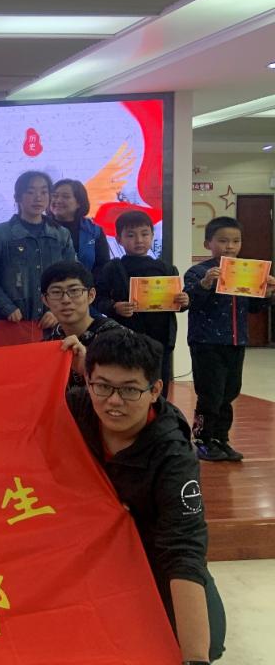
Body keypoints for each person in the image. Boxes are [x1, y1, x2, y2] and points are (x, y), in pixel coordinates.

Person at [61, 329, 225, 664]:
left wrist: (195, 659)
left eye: (129, 390)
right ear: (88, 382)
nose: (114, 402)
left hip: (149, 555)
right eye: (103, 386)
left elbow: (183, 550)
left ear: (155, 390)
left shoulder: (173, 457)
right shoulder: (78, 408)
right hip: (83, 550)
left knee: (203, 642)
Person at [184, 216, 275, 462]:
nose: (230, 246)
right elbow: (188, 301)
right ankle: (203, 440)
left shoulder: (245, 272)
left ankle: (221, 439)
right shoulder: (198, 272)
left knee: (229, 392)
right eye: (223, 241)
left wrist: (267, 293)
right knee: (210, 393)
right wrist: (205, 284)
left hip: (236, 341)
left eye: (236, 241)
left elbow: (254, 308)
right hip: (206, 342)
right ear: (208, 244)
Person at [94, 209, 188, 399]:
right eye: (131, 235)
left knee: (158, 387)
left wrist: (184, 301)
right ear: (119, 239)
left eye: (145, 234)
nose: (139, 240)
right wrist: (114, 307)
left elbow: (178, 303)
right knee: (128, 383)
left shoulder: (166, 268)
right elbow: (97, 298)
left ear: (152, 236)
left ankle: (158, 415)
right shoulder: (113, 268)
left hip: (160, 340)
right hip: (125, 339)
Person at [0, 170, 75, 327]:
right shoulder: (0, 233)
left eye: (44, 192)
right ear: (17, 197)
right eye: (30, 192)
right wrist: (6, 306)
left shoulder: (61, 235)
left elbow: (72, 276)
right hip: (9, 322)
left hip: (51, 323)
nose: (38, 198)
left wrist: (57, 310)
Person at [40, 260, 121, 390]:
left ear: (91, 295)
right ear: (45, 300)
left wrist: (88, 368)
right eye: (56, 292)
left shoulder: (117, 338)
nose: (66, 300)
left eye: (74, 291)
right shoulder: (51, 342)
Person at [49, 178, 109, 276]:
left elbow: (103, 266)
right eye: (55, 196)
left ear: (79, 203)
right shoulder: (40, 227)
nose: (58, 200)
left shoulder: (94, 231)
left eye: (66, 197)